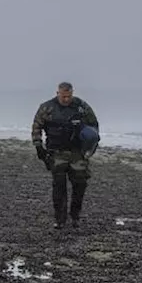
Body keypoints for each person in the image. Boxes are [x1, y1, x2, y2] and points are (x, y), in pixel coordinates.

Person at [32, 82, 101, 230]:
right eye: (63, 96)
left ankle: (75, 216)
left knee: (80, 185)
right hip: (56, 153)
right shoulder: (47, 107)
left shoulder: (81, 107)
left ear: (72, 93)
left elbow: (94, 126)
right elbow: (36, 126)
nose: (66, 99)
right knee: (59, 186)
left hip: (77, 153)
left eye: (69, 96)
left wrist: (90, 147)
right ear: (57, 93)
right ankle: (60, 219)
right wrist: (38, 146)